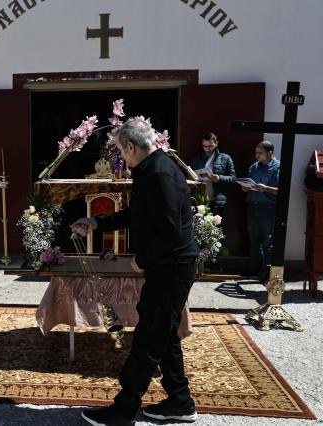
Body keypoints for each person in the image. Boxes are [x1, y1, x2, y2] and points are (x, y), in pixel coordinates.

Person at [73, 118, 199, 425]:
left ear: (130, 146)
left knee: (149, 336)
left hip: (171, 265)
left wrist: (143, 259)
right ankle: (180, 402)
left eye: (121, 151)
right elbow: (139, 214)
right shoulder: (151, 169)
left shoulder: (160, 173)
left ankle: (124, 408)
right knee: (165, 333)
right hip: (168, 264)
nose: (122, 157)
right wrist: (98, 222)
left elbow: (169, 230)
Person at [242, 140, 279, 282]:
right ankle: (255, 270)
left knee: (268, 241)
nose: (257, 156)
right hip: (253, 206)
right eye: (256, 153)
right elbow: (247, 185)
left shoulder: (278, 167)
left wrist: (265, 188)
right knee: (254, 240)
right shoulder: (254, 166)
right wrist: (245, 187)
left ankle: (267, 273)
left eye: (260, 153)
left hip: (268, 209)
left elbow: (282, 191)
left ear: (270, 153)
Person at [188, 132, 236, 216]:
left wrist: (219, 178)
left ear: (216, 143)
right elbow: (190, 175)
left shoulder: (225, 158)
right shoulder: (196, 159)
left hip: (217, 200)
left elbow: (233, 178)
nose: (207, 149)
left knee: (216, 227)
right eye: (205, 146)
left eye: (210, 146)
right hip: (200, 199)